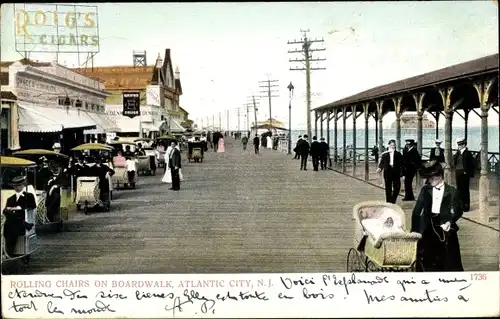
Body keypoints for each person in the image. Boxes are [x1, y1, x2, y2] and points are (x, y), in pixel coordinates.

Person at [411, 161, 464, 272]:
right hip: (427, 225)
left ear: (440, 176)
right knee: (426, 257)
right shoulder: (425, 190)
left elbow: (458, 210)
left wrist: (450, 221)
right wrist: (415, 230)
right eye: (428, 178)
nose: (429, 181)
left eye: (432, 178)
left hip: (444, 225)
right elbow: (417, 211)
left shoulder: (452, 191)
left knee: (448, 258)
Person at [2, 176, 36, 256]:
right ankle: (23, 223)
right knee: (6, 213)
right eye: (15, 186)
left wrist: (19, 208)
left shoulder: (29, 196)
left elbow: (33, 206)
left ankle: (8, 253)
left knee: (12, 229)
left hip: (21, 221)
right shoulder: (10, 199)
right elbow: (5, 211)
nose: (17, 187)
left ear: (23, 185)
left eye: (19, 185)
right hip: (11, 223)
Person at [376, 139, 403, 204]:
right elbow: (382, 162)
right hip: (388, 172)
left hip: (396, 172)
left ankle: (393, 201)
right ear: (389, 145)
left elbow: (401, 165)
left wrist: (402, 174)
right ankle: (388, 202)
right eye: (391, 145)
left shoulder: (398, 154)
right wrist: (380, 168)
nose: (393, 146)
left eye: (394, 145)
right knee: (388, 188)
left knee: (397, 187)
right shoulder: (385, 154)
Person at [452, 138, 475, 212]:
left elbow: (472, 164)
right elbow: (454, 160)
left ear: (464, 145)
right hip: (458, 172)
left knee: (465, 190)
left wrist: (467, 172)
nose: (459, 146)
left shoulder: (467, 153)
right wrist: (457, 152)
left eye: (460, 145)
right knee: (459, 189)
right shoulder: (458, 153)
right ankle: (460, 205)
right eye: (458, 145)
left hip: (464, 173)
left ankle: (466, 206)